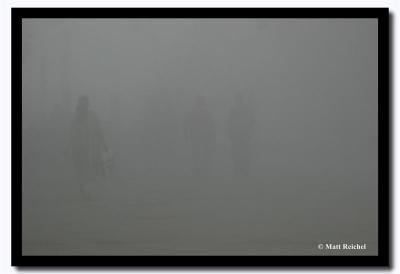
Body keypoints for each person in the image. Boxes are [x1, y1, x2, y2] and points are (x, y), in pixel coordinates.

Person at [71, 96, 108, 199]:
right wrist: (68, 147)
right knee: (81, 171)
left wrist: (104, 144)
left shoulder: (92, 116)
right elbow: (71, 134)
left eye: (86, 104)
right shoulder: (76, 117)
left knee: (87, 171)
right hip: (78, 149)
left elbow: (99, 131)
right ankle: (83, 190)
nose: (84, 106)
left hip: (88, 149)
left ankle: (86, 191)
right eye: (83, 103)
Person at [184, 95, 216, 177]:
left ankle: (201, 171)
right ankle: (201, 171)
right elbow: (188, 124)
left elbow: (211, 125)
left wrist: (187, 134)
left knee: (200, 154)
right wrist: (187, 134)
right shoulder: (203, 113)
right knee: (199, 154)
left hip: (200, 137)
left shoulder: (196, 113)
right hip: (199, 136)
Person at [228, 93, 254, 177]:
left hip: (243, 136)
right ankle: (239, 171)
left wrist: (248, 133)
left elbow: (251, 123)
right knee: (237, 154)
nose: (238, 102)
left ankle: (244, 172)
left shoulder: (245, 111)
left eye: (239, 100)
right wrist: (230, 134)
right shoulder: (234, 111)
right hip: (237, 137)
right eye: (238, 100)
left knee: (244, 154)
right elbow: (229, 124)